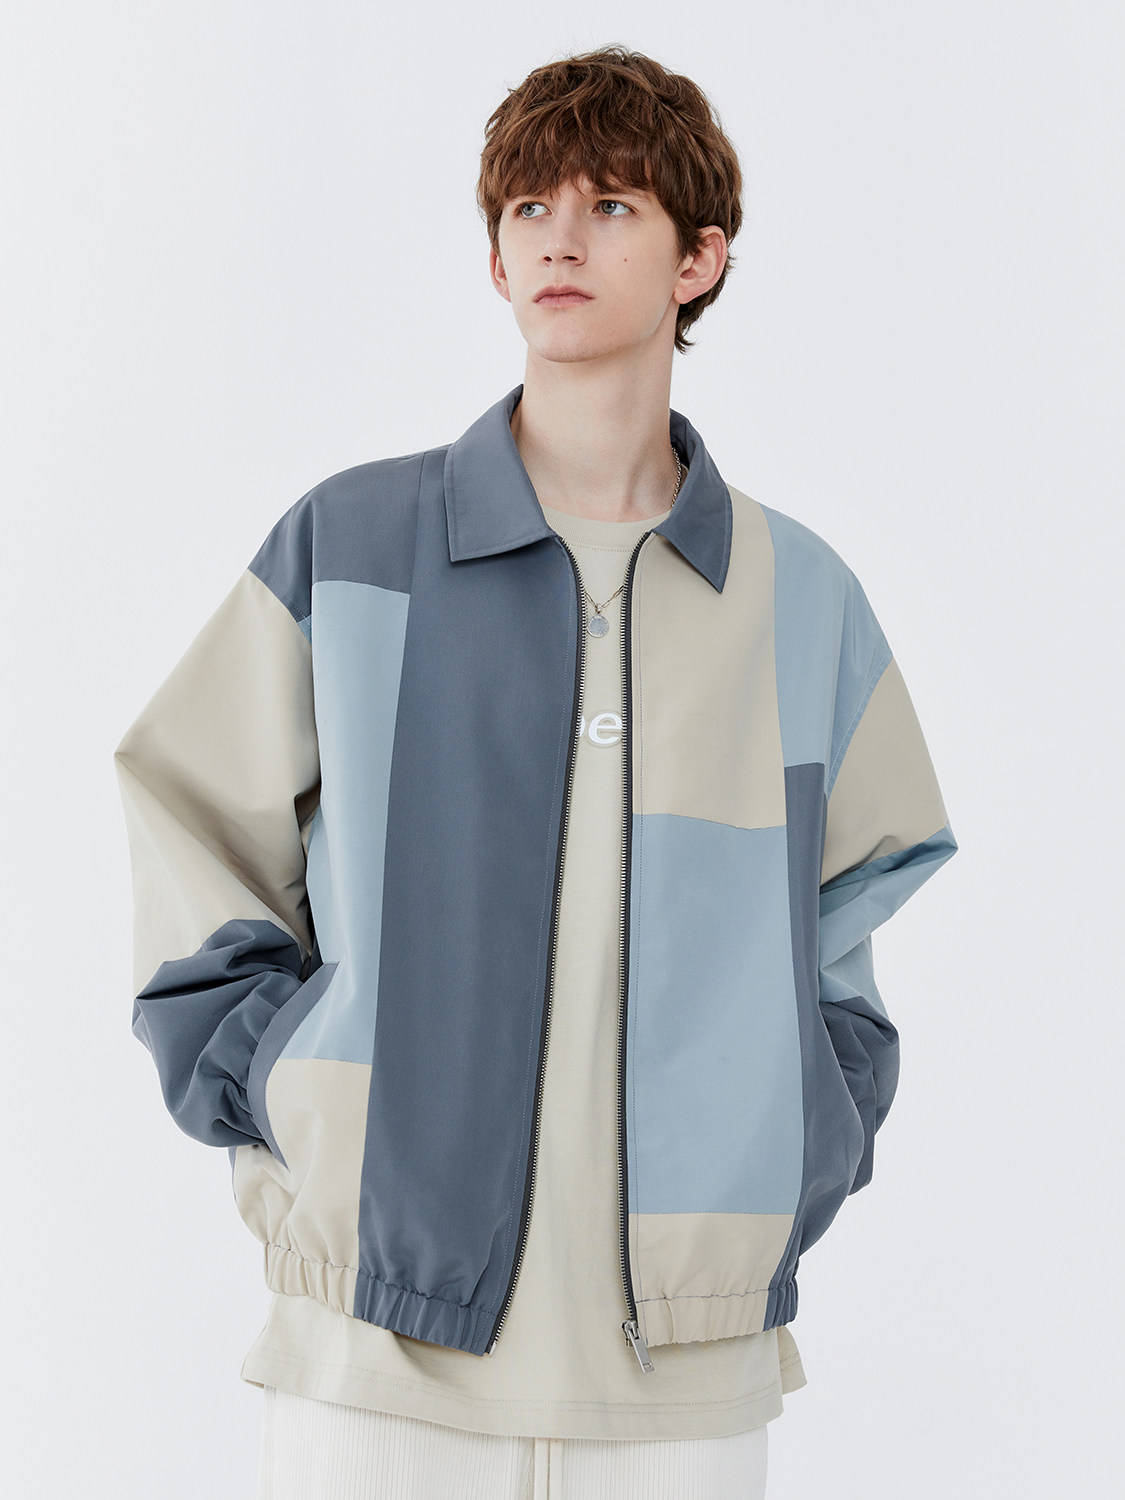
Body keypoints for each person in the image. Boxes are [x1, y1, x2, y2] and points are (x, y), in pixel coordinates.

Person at [114, 44, 958, 1500]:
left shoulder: (799, 597)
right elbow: (188, 818)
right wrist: (281, 1082)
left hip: (683, 1377)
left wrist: (803, 1127)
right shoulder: (352, 546)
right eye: (527, 208)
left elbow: (855, 905)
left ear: (699, 260)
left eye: (611, 205)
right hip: (375, 1350)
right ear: (495, 258)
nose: (559, 237)